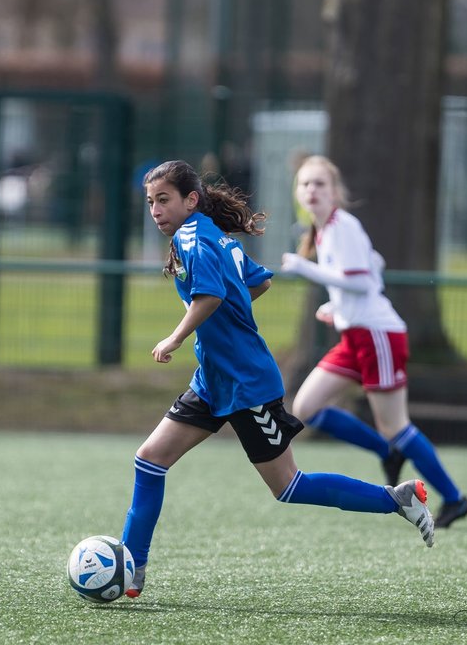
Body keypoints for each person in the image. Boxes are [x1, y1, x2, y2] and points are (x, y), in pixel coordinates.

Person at [119, 160, 435, 598]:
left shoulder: (193, 236)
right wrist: (228, 313)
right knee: (150, 459)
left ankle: (397, 499)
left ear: (191, 200)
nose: (155, 209)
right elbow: (258, 282)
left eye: (164, 200)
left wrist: (175, 336)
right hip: (214, 379)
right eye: (151, 201)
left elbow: (210, 295)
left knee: (288, 486)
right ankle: (131, 566)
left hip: (247, 384)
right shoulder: (215, 235)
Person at [278, 155, 467, 529]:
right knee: (306, 407)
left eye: (320, 183)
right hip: (356, 335)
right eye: (305, 184)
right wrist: (336, 307)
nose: (312, 190)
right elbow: (373, 268)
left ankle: (455, 498)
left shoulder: (342, 225)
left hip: (379, 335)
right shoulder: (324, 230)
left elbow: (363, 280)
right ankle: (387, 451)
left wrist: (307, 269)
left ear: (336, 192)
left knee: (396, 426)